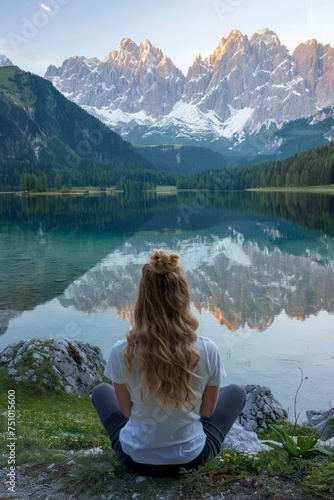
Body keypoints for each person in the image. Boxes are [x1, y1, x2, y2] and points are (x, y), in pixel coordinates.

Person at [92, 249, 246, 476]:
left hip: (134, 459)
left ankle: (146, 443)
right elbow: (207, 411)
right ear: (183, 297)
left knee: (100, 391)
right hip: (192, 459)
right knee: (236, 392)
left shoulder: (121, 351)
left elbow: (126, 412)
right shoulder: (207, 349)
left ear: (142, 300)